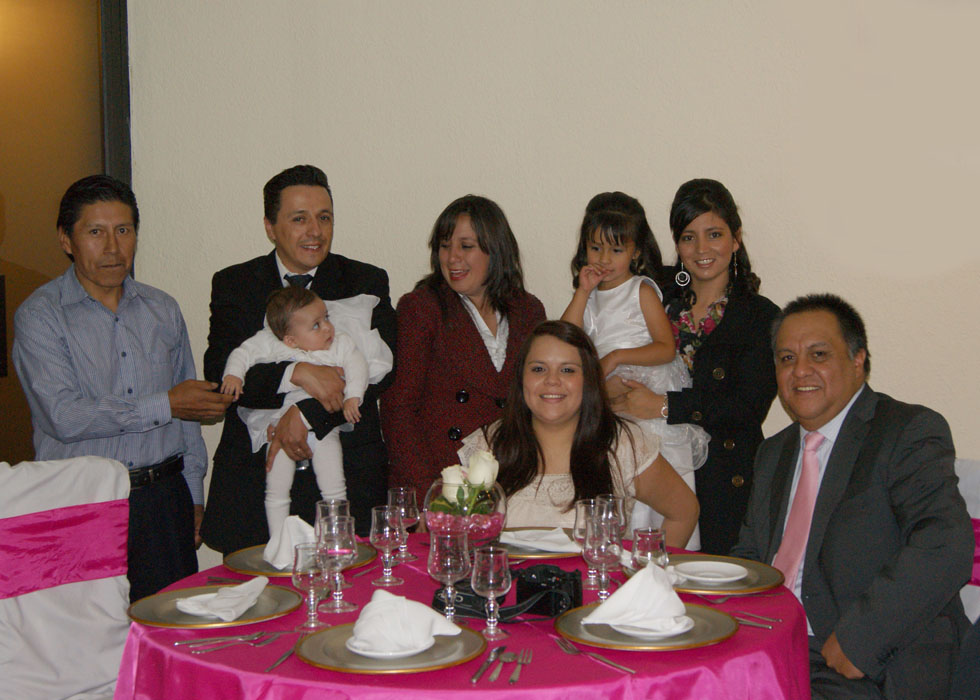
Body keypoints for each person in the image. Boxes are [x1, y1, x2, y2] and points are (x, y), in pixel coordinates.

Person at [731, 294, 973, 700]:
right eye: (786, 358)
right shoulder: (773, 452)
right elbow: (751, 556)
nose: (800, 370)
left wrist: (860, 640)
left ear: (858, 359)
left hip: (863, 660)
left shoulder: (906, 431)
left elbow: (945, 545)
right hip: (773, 648)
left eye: (818, 354)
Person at [12, 174, 232, 601]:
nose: (113, 248)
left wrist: (193, 494)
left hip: (164, 501)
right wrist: (166, 404)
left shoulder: (162, 308)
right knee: (87, 633)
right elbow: (64, 417)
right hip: (80, 501)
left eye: (124, 230)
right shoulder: (40, 316)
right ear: (66, 240)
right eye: (96, 232)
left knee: (167, 623)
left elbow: (188, 415)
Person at [200, 165, 396, 548]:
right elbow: (220, 370)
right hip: (255, 485)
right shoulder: (235, 284)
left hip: (347, 477)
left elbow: (381, 371)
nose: (315, 231)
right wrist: (297, 372)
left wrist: (306, 413)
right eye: (299, 219)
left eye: (324, 218)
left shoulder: (365, 280)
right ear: (270, 227)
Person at [608, 178, 778, 555]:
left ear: (736, 239)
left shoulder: (760, 317)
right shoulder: (653, 295)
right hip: (646, 473)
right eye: (688, 237)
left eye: (714, 234)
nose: (701, 249)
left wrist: (665, 405)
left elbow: (747, 407)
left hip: (722, 482)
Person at [460, 320, 699, 546]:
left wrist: (645, 572)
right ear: (522, 378)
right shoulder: (488, 445)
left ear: (588, 379)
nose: (552, 380)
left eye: (567, 370)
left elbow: (684, 512)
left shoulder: (623, 443)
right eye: (539, 369)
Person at [561, 192, 709, 545]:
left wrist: (615, 358)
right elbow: (565, 340)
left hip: (645, 390)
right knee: (617, 480)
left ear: (636, 252)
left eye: (616, 250)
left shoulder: (641, 290)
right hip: (607, 404)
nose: (604, 259)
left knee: (650, 480)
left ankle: (660, 553)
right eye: (595, 248)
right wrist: (582, 292)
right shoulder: (589, 295)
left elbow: (665, 348)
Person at [381, 195, 545, 501]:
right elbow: (398, 410)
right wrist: (428, 493)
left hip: (512, 480)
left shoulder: (528, 310)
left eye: (466, 246)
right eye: (445, 246)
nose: (452, 258)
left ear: (495, 250)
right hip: (440, 481)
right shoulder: (422, 308)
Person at [220, 286, 370, 547]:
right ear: (290, 340)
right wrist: (233, 375)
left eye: (326, 318)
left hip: (323, 427)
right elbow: (243, 353)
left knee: (334, 484)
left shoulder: (339, 344)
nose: (327, 328)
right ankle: (279, 543)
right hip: (280, 427)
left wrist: (353, 396)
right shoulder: (271, 343)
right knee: (277, 487)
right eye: (316, 325)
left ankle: (337, 537)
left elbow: (358, 364)